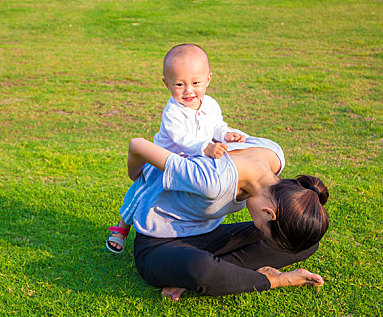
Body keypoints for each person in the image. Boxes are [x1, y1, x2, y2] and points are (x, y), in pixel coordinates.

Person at [125, 136, 329, 300]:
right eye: (262, 229)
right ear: (269, 212)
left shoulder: (274, 157)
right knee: (202, 269)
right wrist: (137, 176)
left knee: (303, 241)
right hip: (158, 243)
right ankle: (270, 279)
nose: (259, 230)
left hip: (207, 234)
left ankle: (218, 271)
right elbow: (137, 145)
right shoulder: (211, 181)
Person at [106, 43, 247, 253]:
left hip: (194, 160)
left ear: (208, 79)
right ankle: (122, 226)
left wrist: (226, 134)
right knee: (142, 190)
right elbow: (181, 139)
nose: (189, 90)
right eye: (179, 84)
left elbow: (217, 125)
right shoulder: (173, 111)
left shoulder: (210, 105)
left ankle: (179, 229)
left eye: (196, 82)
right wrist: (206, 148)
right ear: (166, 83)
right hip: (162, 160)